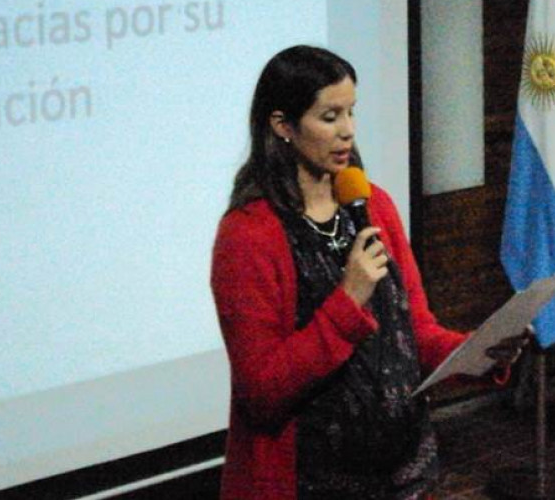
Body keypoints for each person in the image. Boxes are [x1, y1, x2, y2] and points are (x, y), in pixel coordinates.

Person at [211, 45, 528, 500]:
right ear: (283, 126)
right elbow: (262, 391)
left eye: (351, 112)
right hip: (312, 483)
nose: (347, 132)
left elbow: (415, 335)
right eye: (329, 116)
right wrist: (348, 300)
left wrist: (480, 351)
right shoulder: (248, 235)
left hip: (403, 476)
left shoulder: (373, 204)